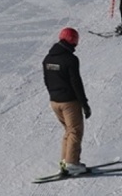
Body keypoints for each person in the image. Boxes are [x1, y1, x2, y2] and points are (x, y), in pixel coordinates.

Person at [43, 27, 92, 176]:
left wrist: (54, 95)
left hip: (54, 102)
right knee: (75, 131)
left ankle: (66, 161)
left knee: (69, 131)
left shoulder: (48, 59)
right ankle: (72, 164)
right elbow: (76, 83)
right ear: (73, 41)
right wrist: (84, 104)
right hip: (69, 102)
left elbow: (46, 80)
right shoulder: (70, 59)